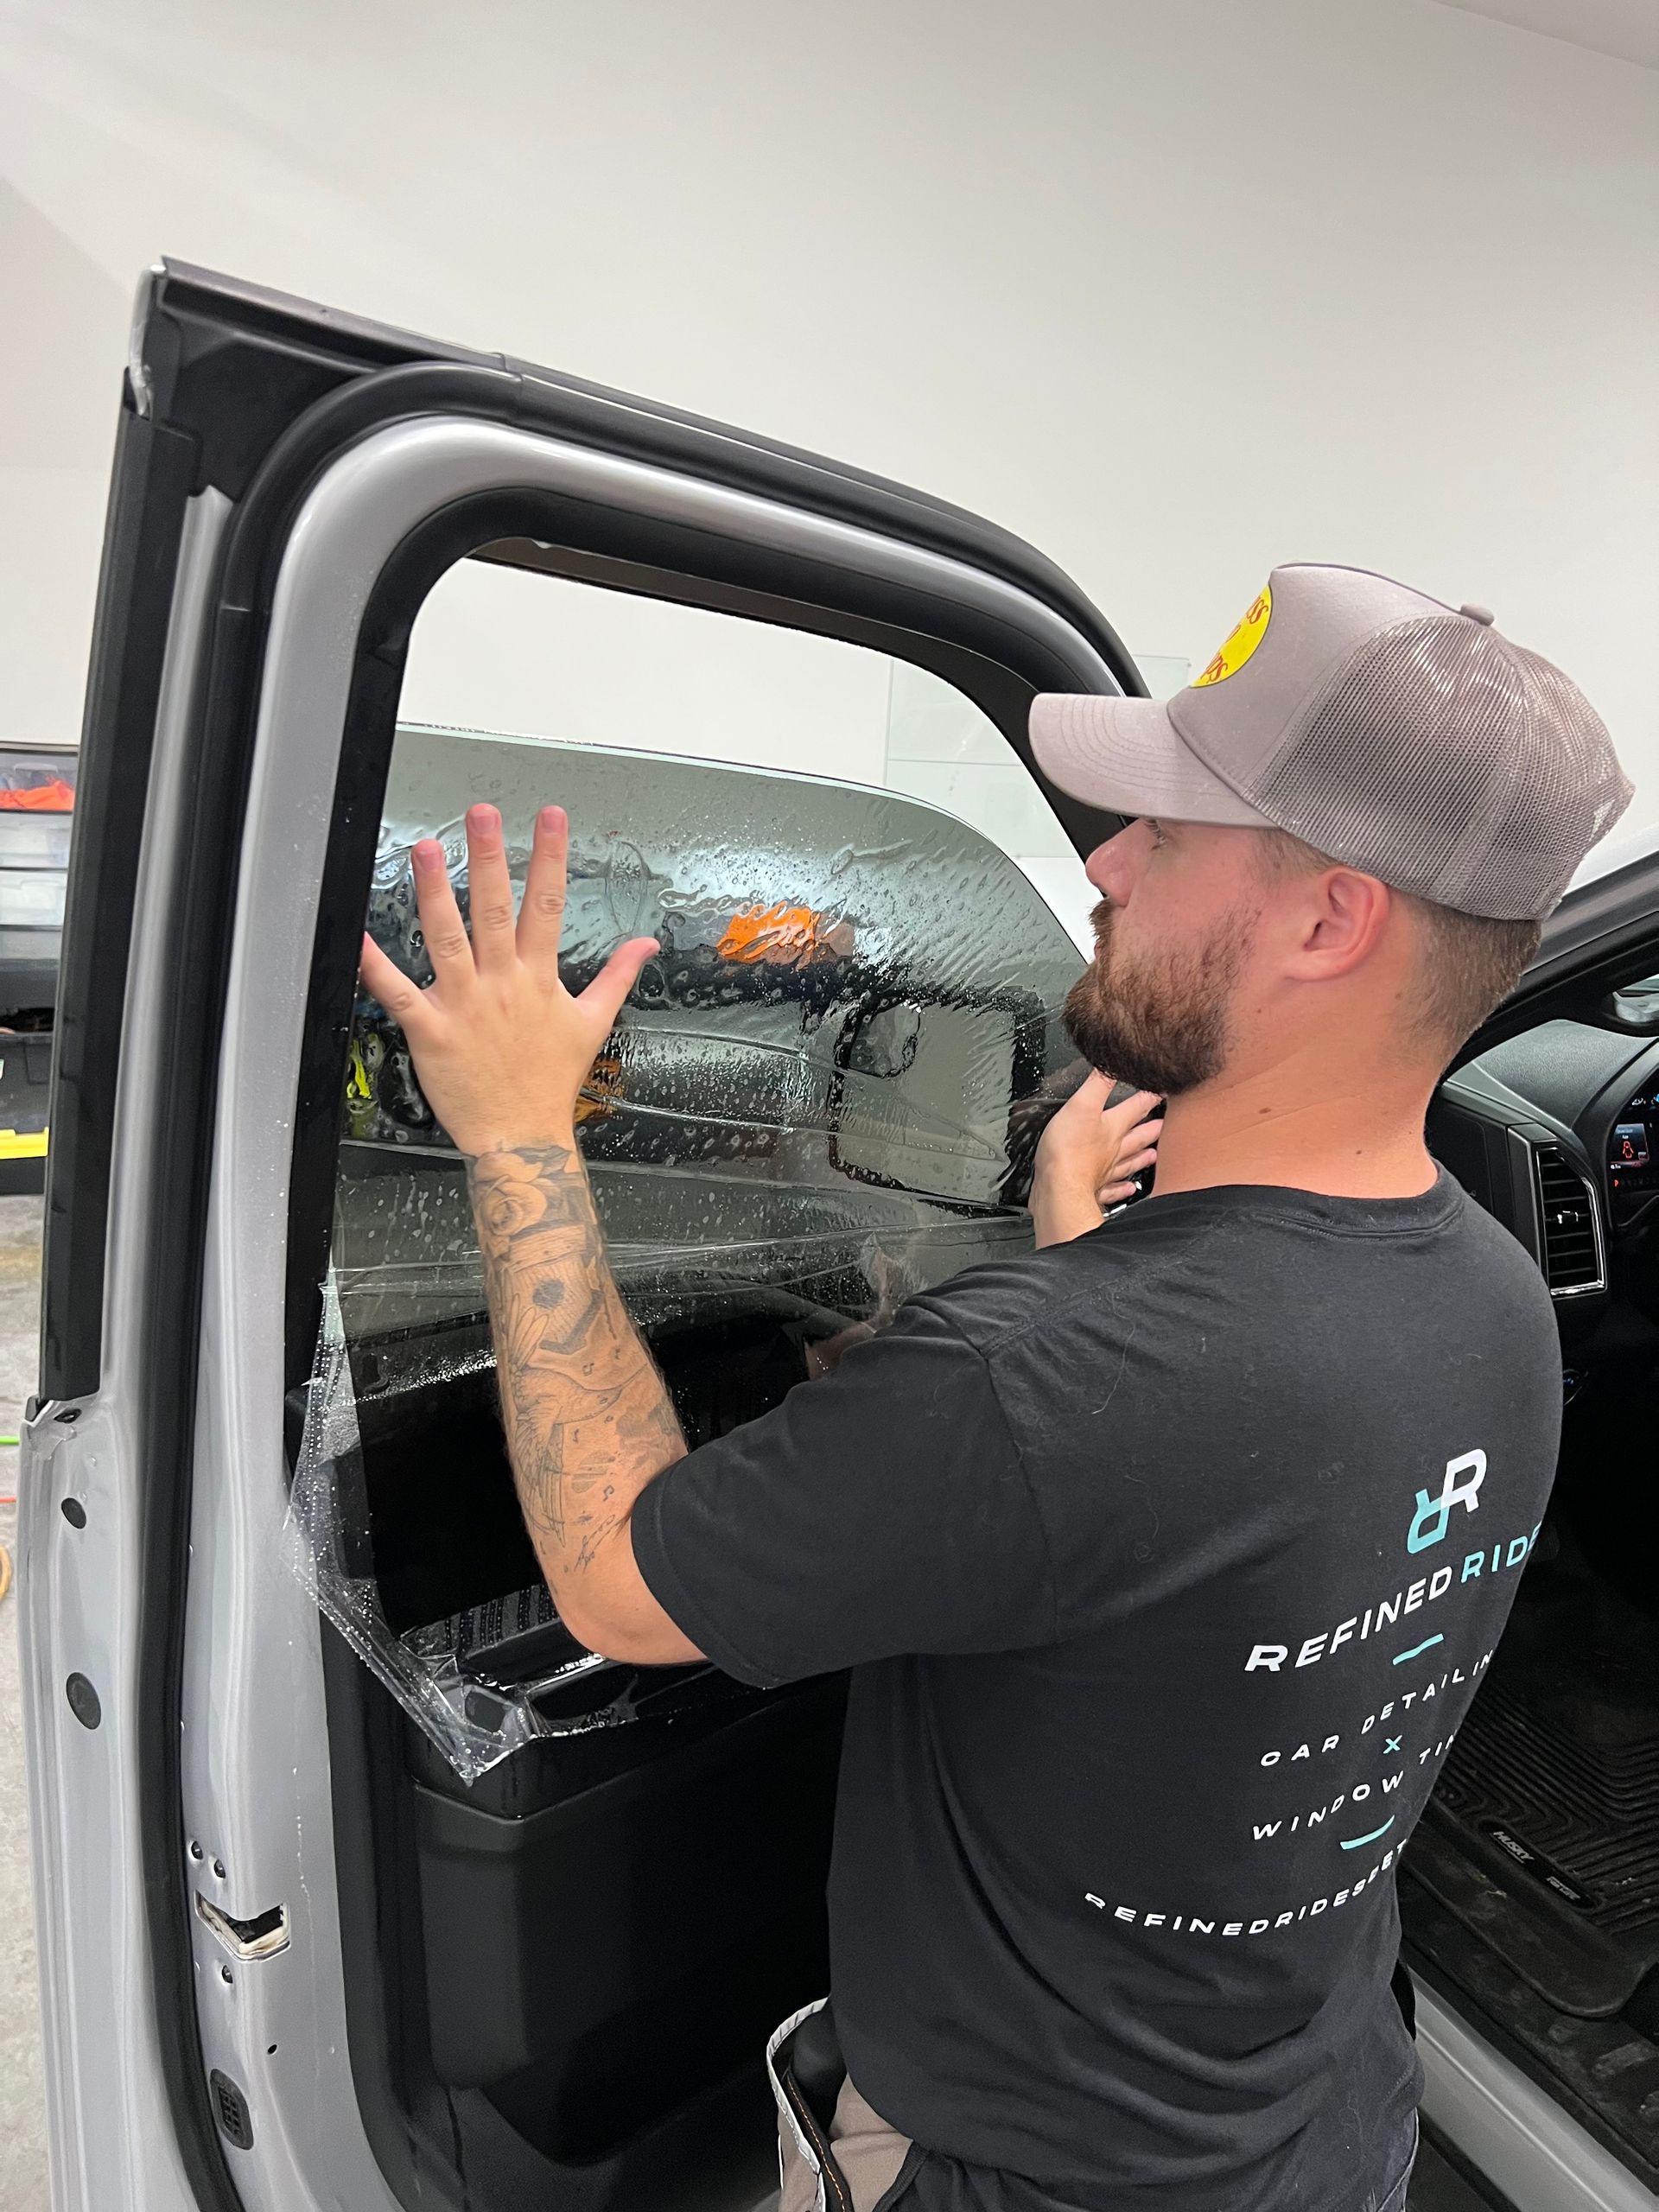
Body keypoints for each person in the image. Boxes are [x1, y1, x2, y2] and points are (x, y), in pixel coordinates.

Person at [359, 563, 1631, 2212]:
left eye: (1165, 837)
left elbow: (612, 1575)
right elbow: (1187, 1550)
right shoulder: (1495, 1303)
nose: (1105, 866)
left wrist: (521, 1131)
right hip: (1327, 2136)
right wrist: (1071, 1254)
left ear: (1331, 922)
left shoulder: (1037, 1383)